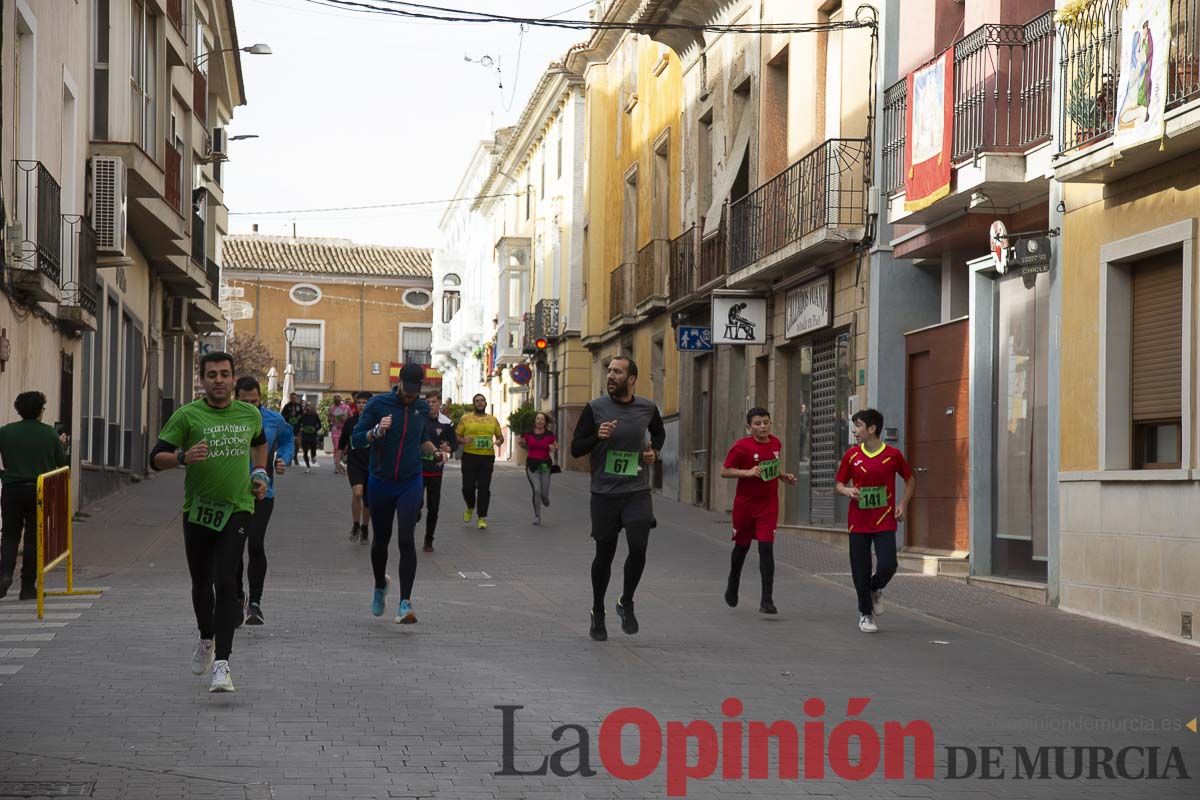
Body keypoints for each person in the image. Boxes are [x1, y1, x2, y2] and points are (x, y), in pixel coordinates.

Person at [150, 352, 269, 693]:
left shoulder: (249, 414)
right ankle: (206, 638)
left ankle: (223, 665)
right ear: (202, 380)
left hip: (238, 508)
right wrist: (182, 457)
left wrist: (259, 473)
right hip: (199, 511)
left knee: (226, 581)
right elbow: (155, 459)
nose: (219, 380)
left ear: (234, 379)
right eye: (212, 374)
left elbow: (260, 445)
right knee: (202, 583)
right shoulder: (187, 416)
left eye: (225, 374)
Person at [571, 356, 665, 641]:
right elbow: (576, 448)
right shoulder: (595, 408)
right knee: (605, 553)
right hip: (604, 493)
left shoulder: (647, 408)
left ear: (632, 379)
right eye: (609, 371)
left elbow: (658, 433)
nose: (611, 376)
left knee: (638, 546)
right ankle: (598, 611)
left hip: (636, 490)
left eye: (617, 372)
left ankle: (626, 601)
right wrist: (597, 437)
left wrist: (654, 452)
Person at [350, 364, 441, 624]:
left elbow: (422, 439)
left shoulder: (421, 408)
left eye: (416, 391)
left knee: (405, 539)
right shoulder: (378, 404)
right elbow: (357, 440)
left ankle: (405, 603)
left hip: (410, 480)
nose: (410, 395)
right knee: (381, 540)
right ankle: (380, 585)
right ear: (398, 382)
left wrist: (434, 452)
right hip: (380, 480)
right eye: (407, 389)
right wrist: (376, 431)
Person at [834, 408, 916, 634]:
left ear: (872, 429)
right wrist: (848, 491)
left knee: (889, 564)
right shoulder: (851, 455)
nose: (855, 430)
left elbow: (910, 480)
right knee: (860, 569)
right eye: (854, 425)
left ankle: (875, 587)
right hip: (858, 520)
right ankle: (865, 614)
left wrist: (902, 504)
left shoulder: (893, 455)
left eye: (858, 425)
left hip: (884, 519)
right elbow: (839, 483)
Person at [719, 407, 798, 615]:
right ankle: (733, 582)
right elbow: (725, 471)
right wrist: (748, 472)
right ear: (749, 427)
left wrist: (783, 476)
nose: (763, 427)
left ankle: (767, 599)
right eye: (758, 423)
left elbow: (772, 467)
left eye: (766, 422)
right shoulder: (741, 447)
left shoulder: (776, 443)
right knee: (742, 548)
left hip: (768, 505)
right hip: (745, 506)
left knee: (766, 548)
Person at [233, 377, 293, 626]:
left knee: (255, 544)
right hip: (232, 495)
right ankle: (237, 598)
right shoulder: (228, 419)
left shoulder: (274, 420)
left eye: (254, 401)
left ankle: (255, 603)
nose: (249, 405)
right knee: (233, 549)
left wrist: (284, 459)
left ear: (261, 399)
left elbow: (288, 440)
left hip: (262, 493)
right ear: (236, 399)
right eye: (244, 401)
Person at [0, 391, 69, 600]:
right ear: (40, 411)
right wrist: (61, 445)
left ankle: (4, 575)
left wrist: (4, 474)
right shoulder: (49, 434)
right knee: (33, 538)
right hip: (40, 490)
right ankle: (28, 586)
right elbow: (62, 465)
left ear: (18, 409)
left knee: (10, 535)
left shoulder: (5, 432)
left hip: (12, 489)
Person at [455, 393, 503, 530]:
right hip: (469, 456)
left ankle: (482, 517)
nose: (480, 403)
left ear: (486, 403)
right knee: (467, 488)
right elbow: (457, 435)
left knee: (484, 487)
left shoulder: (493, 420)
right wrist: (463, 440)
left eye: (482, 400)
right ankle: (470, 506)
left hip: (487, 457)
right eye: (477, 401)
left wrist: (499, 441)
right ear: (473, 404)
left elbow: (500, 436)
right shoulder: (465, 419)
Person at [419, 393, 457, 553]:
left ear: (439, 403)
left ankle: (429, 539)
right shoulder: (419, 419)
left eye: (433, 402)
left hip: (436, 470)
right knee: (415, 504)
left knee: (433, 508)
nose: (430, 405)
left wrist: (450, 449)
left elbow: (453, 443)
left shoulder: (447, 423)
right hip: (417, 469)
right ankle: (415, 512)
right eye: (427, 402)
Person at [339, 392, 372, 544]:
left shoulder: (376, 422)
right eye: (359, 402)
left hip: (372, 465)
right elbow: (342, 442)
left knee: (368, 500)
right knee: (357, 492)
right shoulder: (350, 422)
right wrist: (337, 460)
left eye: (365, 403)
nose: (362, 405)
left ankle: (365, 527)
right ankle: (356, 524)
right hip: (354, 463)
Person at [516, 412, 557, 526]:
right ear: (535, 421)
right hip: (532, 466)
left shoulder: (550, 434)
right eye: (538, 419)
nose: (539, 421)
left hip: (545, 466)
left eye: (542, 419)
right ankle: (537, 516)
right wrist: (521, 442)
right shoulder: (529, 434)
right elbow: (524, 445)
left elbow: (556, 446)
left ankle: (545, 499)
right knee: (537, 490)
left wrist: (553, 447)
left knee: (544, 493)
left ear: (545, 422)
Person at [328, 395, 351, 475]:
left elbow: (351, 418)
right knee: (336, 448)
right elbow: (329, 419)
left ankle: (341, 463)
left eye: (338, 397)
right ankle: (337, 466)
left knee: (344, 448)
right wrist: (331, 418)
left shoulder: (346, 407)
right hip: (335, 430)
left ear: (341, 399)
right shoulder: (331, 408)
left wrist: (345, 419)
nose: (337, 398)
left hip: (344, 430)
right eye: (335, 397)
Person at [298, 402, 323, 473]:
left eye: (309, 406)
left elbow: (320, 425)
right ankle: (308, 467)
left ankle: (313, 456)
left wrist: (315, 429)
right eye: (306, 406)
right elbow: (298, 424)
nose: (308, 407)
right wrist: (300, 428)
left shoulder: (315, 415)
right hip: (305, 436)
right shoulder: (302, 416)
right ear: (305, 408)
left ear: (311, 407)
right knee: (305, 452)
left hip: (313, 436)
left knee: (313, 451)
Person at [281, 393, 303, 466]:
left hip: (297, 427)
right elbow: (282, 416)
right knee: (290, 443)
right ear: (290, 398)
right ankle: (289, 458)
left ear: (296, 398)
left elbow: (302, 415)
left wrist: (299, 418)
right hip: (289, 427)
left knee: (297, 443)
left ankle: (295, 456)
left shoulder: (299, 406)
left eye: (295, 398)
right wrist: (290, 415)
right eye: (292, 397)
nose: (293, 399)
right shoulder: (287, 406)